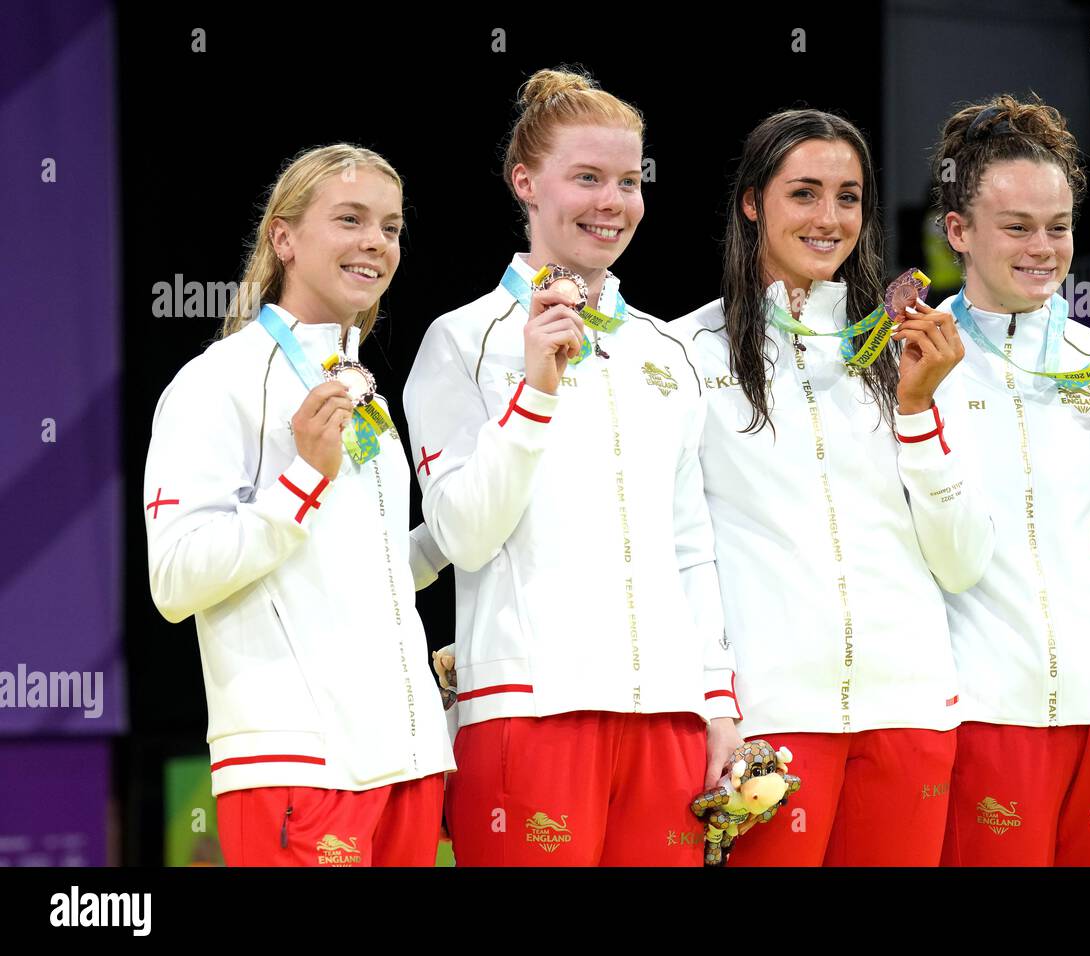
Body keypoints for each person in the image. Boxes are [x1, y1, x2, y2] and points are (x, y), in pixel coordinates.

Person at [403, 68, 740, 867]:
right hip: (528, 709)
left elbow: (690, 544)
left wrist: (717, 702)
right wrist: (535, 391)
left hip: (668, 716)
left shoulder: (666, 350)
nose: (611, 202)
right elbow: (464, 535)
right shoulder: (464, 340)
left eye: (628, 181)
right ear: (525, 182)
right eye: (586, 178)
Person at [673, 109, 994, 866]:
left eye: (849, 197)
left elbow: (962, 561)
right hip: (769, 723)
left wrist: (917, 408)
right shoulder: (685, 353)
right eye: (804, 193)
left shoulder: (913, 352)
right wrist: (717, 703)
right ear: (752, 203)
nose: (829, 218)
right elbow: (682, 549)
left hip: (911, 711)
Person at [144, 144, 452, 866]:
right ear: (283, 238)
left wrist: (461, 533)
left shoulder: (362, 388)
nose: (375, 241)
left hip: (408, 760)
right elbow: (175, 580)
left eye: (390, 227)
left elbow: (361, 569)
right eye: (350, 219)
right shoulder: (217, 382)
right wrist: (304, 479)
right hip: (296, 760)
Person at [927, 95, 1090, 866]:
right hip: (983, 715)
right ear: (958, 232)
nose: (1043, 249)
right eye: (1017, 227)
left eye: (1058, 227)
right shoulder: (910, 367)